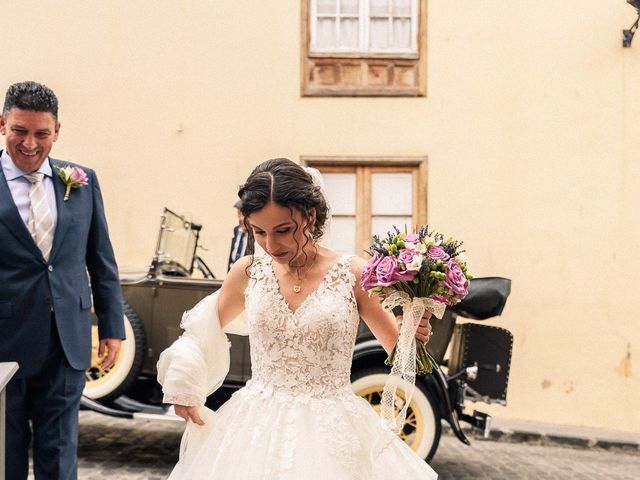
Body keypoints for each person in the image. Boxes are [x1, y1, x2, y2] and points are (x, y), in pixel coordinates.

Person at [157, 158, 438, 479]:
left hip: (332, 430)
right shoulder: (248, 272)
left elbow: (402, 356)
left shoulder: (354, 274)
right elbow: (200, 327)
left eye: (283, 230)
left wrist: (413, 331)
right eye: (258, 232)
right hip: (254, 428)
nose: (271, 245)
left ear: (310, 216)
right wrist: (184, 384)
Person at [0, 81, 125, 479]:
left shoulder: (81, 181)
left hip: (66, 342)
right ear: (2, 124)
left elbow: (100, 260)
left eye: (42, 133)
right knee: (6, 457)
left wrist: (112, 327)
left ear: (57, 131)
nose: (30, 144)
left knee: (60, 457)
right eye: (20, 131)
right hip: (4, 345)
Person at [227, 199, 250, 271]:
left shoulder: (257, 236)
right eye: (239, 213)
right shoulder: (236, 231)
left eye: (244, 214)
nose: (241, 218)